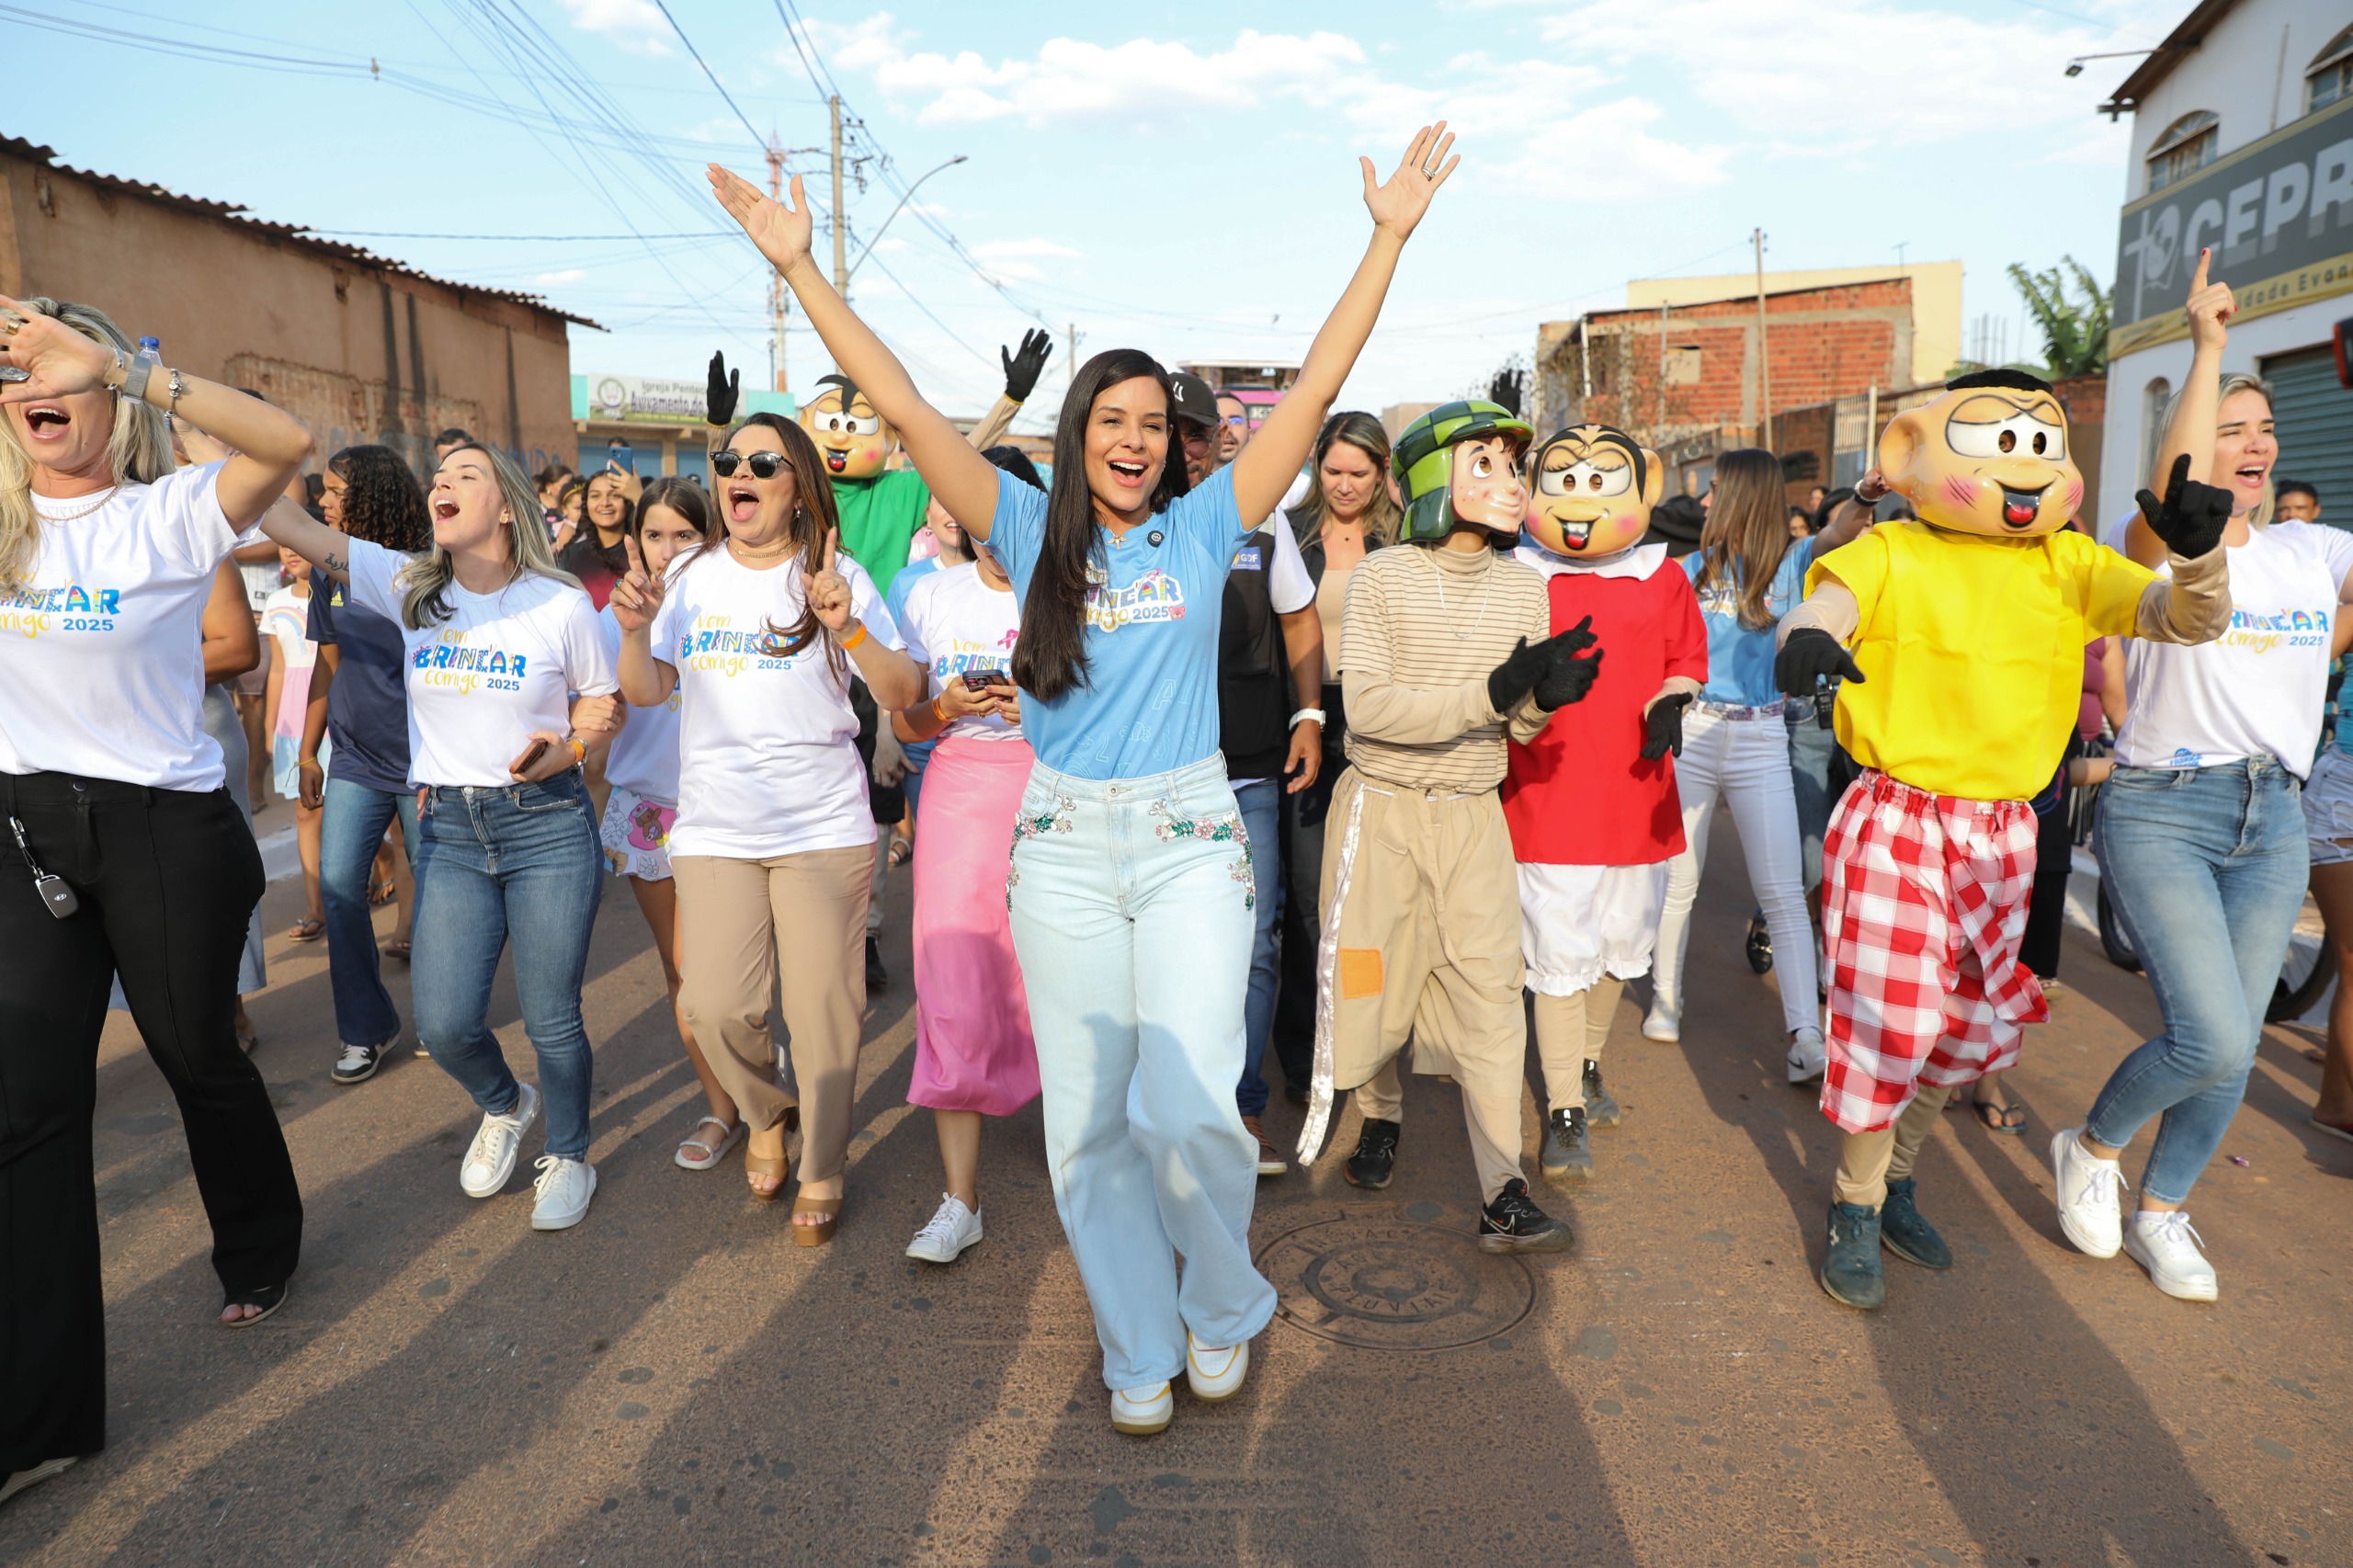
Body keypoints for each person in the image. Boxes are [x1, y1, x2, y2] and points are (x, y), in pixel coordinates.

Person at [708, 120, 1461, 1434]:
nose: (1130, 439)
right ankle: (1136, 1340)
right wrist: (804, 271)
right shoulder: (1017, 526)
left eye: (1150, 424)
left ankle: (1223, 1302)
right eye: (1106, 420)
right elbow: (893, 400)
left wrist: (1386, 235)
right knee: (1091, 1126)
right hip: (1055, 848)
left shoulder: (1212, 518)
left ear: (1177, 444)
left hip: (1184, 839)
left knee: (1191, 1110)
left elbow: (1323, 375)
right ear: (1075, 436)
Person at [1775, 362, 2233, 1312]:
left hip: (2006, 832)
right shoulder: (1895, 549)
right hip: (1900, 820)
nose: (2024, 473)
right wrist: (1808, 637)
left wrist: (2198, 557)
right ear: (1913, 452)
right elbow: (1825, 603)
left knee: (1963, 1029)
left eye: (2041, 448)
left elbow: (2186, 619)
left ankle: (1897, 1173)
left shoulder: (2068, 564)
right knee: (1888, 1021)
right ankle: (1854, 1203)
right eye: (1998, 447)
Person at [0, 293, 312, 1500]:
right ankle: (44, 1415)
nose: (41, 390)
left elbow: (284, 443)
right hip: (27, 826)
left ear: (106, 399)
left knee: (195, 1050)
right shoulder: (6, 525)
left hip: (164, 828)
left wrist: (136, 366)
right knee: (27, 1103)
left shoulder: (163, 516)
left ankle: (261, 1238)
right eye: (21, 373)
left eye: (65, 373)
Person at [2053, 253, 2353, 1302]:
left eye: (2264, 428)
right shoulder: (2155, 546)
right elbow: (2177, 495)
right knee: (2214, 1031)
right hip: (2162, 808)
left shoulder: (2314, 551)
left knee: (2227, 1047)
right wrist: (2209, 350)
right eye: (2232, 427)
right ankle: (2091, 1144)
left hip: (2272, 813)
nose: (2255, 443)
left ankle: (2163, 1208)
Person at [265, 441, 624, 1233]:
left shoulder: (559, 603)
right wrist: (201, 431)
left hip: (549, 826)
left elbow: (602, 705)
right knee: (446, 1022)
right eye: (438, 477)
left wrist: (566, 748)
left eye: (466, 475)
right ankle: (506, 1103)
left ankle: (567, 1153)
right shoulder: (409, 590)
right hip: (453, 829)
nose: (442, 485)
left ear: (506, 504)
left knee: (551, 1016)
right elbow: (285, 517)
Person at [1298, 397, 1603, 1254]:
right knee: (1371, 984)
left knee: (1492, 1000)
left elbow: (1519, 730)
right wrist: (1495, 694)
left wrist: (1543, 698)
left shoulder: (1527, 587)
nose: (1510, 482)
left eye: (1514, 466)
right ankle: (1381, 1113)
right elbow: (1369, 709)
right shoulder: (1383, 578)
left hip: (1473, 818)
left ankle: (1502, 1190)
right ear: (1436, 475)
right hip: (1383, 816)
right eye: (1487, 464)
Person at [610, 413, 923, 1243]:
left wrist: (845, 623)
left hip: (822, 826)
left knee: (823, 1014)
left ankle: (821, 1162)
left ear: (799, 490)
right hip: (716, 828)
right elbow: (645, 693)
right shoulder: (692, 576)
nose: (738, 472)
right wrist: (633, 631)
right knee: (712, 1006)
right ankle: (766, 1113)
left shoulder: (835, 573)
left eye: (762, 462)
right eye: (728, 459)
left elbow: (900, 692)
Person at [798, 336, 1041, 993]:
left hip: (883, 661)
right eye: (829, 424)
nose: (845, 436)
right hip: (812, 656)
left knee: (879, 804)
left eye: (858, 423)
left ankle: (870, 932)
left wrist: (1010, 400)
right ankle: (830, 932)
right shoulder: (802, 490)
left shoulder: (903, 491)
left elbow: (957, 459)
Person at [1504, 424, 1705, 1183]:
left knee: (1620, 944)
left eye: (1601, 481)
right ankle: (1562, 1106)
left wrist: (1671, 703)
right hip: (1548, 789)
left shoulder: (1664, 578)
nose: (1581, 498)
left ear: (1642, 488)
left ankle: (1587, 1064)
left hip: (1639, 790)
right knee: (1559, 951)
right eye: (1565, 480)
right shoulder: (1519, 574)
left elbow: (1686, 661)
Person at [1651, 449, 1865, 1082]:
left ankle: (1806, 1034)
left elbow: (1843, 530)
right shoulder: (1687, 569)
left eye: (1717, 490)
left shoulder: (1796, 563)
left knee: (1781, 894)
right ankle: (1666, 1000)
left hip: (1763, 736)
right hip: (1694, 731)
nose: (1707, 502)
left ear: (1745, 495)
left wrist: (1867, 499)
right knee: (1676, 885)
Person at [889, 447, 1040, 1264]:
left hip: (1056, 795)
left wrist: (1042, 712)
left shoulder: (1076, 594)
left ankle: (1099, 1167)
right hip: (955, 795)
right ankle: (960, 1199)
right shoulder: (928, 598)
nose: (989, 529)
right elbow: (905, 724)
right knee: (951, 984)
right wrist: (941, 707)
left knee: (1058, 975)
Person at [1170, 369, 1324, 1176]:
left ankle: (1240, 1111)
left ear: (1217, 440)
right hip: (1158, 782)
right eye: (1174, 431)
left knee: (1256, 946)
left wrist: (1309, 713)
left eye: (1198, 432)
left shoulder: (1256, 521)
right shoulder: (1114, 526)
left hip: (1250, 772)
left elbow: (1298, 614)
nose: (1186, 447)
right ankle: (1167, 1113)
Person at [595, 477, 746, 1171]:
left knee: (742, 978)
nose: (668, 549)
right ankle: (724, 1110)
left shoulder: (732, 599)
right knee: (682, 970)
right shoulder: (614, 615)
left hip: (731, 808)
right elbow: (586, 706)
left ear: (711, 536)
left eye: (685, 534)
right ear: (634, 541)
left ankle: (764, 1091)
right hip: (650, 810)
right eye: (654, 535)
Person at [1269, 413, 1397, 1103]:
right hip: (1308, 722)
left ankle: (1367, 1043)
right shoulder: (1288, 532)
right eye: (1333, 471)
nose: (1344, 486)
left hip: (1385, 728)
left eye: (1359, 472)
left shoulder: (1406, 541)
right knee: (1311, 893)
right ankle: (1303, 1050)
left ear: (1381, 473)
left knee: (1375, 900)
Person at [302, 446, 434, 1085]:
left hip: (425, 761)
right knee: (339, 889)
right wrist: (309, 749)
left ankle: (441, 1014)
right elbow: (329, 667)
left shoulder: (427, 571)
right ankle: (366, 1028)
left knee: (439, 893)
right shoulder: (327, 571)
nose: (323, 501)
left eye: (333, 491)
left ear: (371, 496)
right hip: (355, 758)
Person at [261, 544, 327, 940]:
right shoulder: (276, 602)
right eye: (283, 548)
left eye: (297, 544)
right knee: (307, 813)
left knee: (345, 814)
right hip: (292, 722)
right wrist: (271, 728)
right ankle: (316, 909)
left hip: (334, 712)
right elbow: (277, 671)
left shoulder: (338, 596)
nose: (290, 553)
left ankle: (385, 858)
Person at [560, 466, 635, 608]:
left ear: (627, 502)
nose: (605, 503)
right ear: (586, 504)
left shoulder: (640, 550)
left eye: (615, 495)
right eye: (595, 496)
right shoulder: (572, 555)